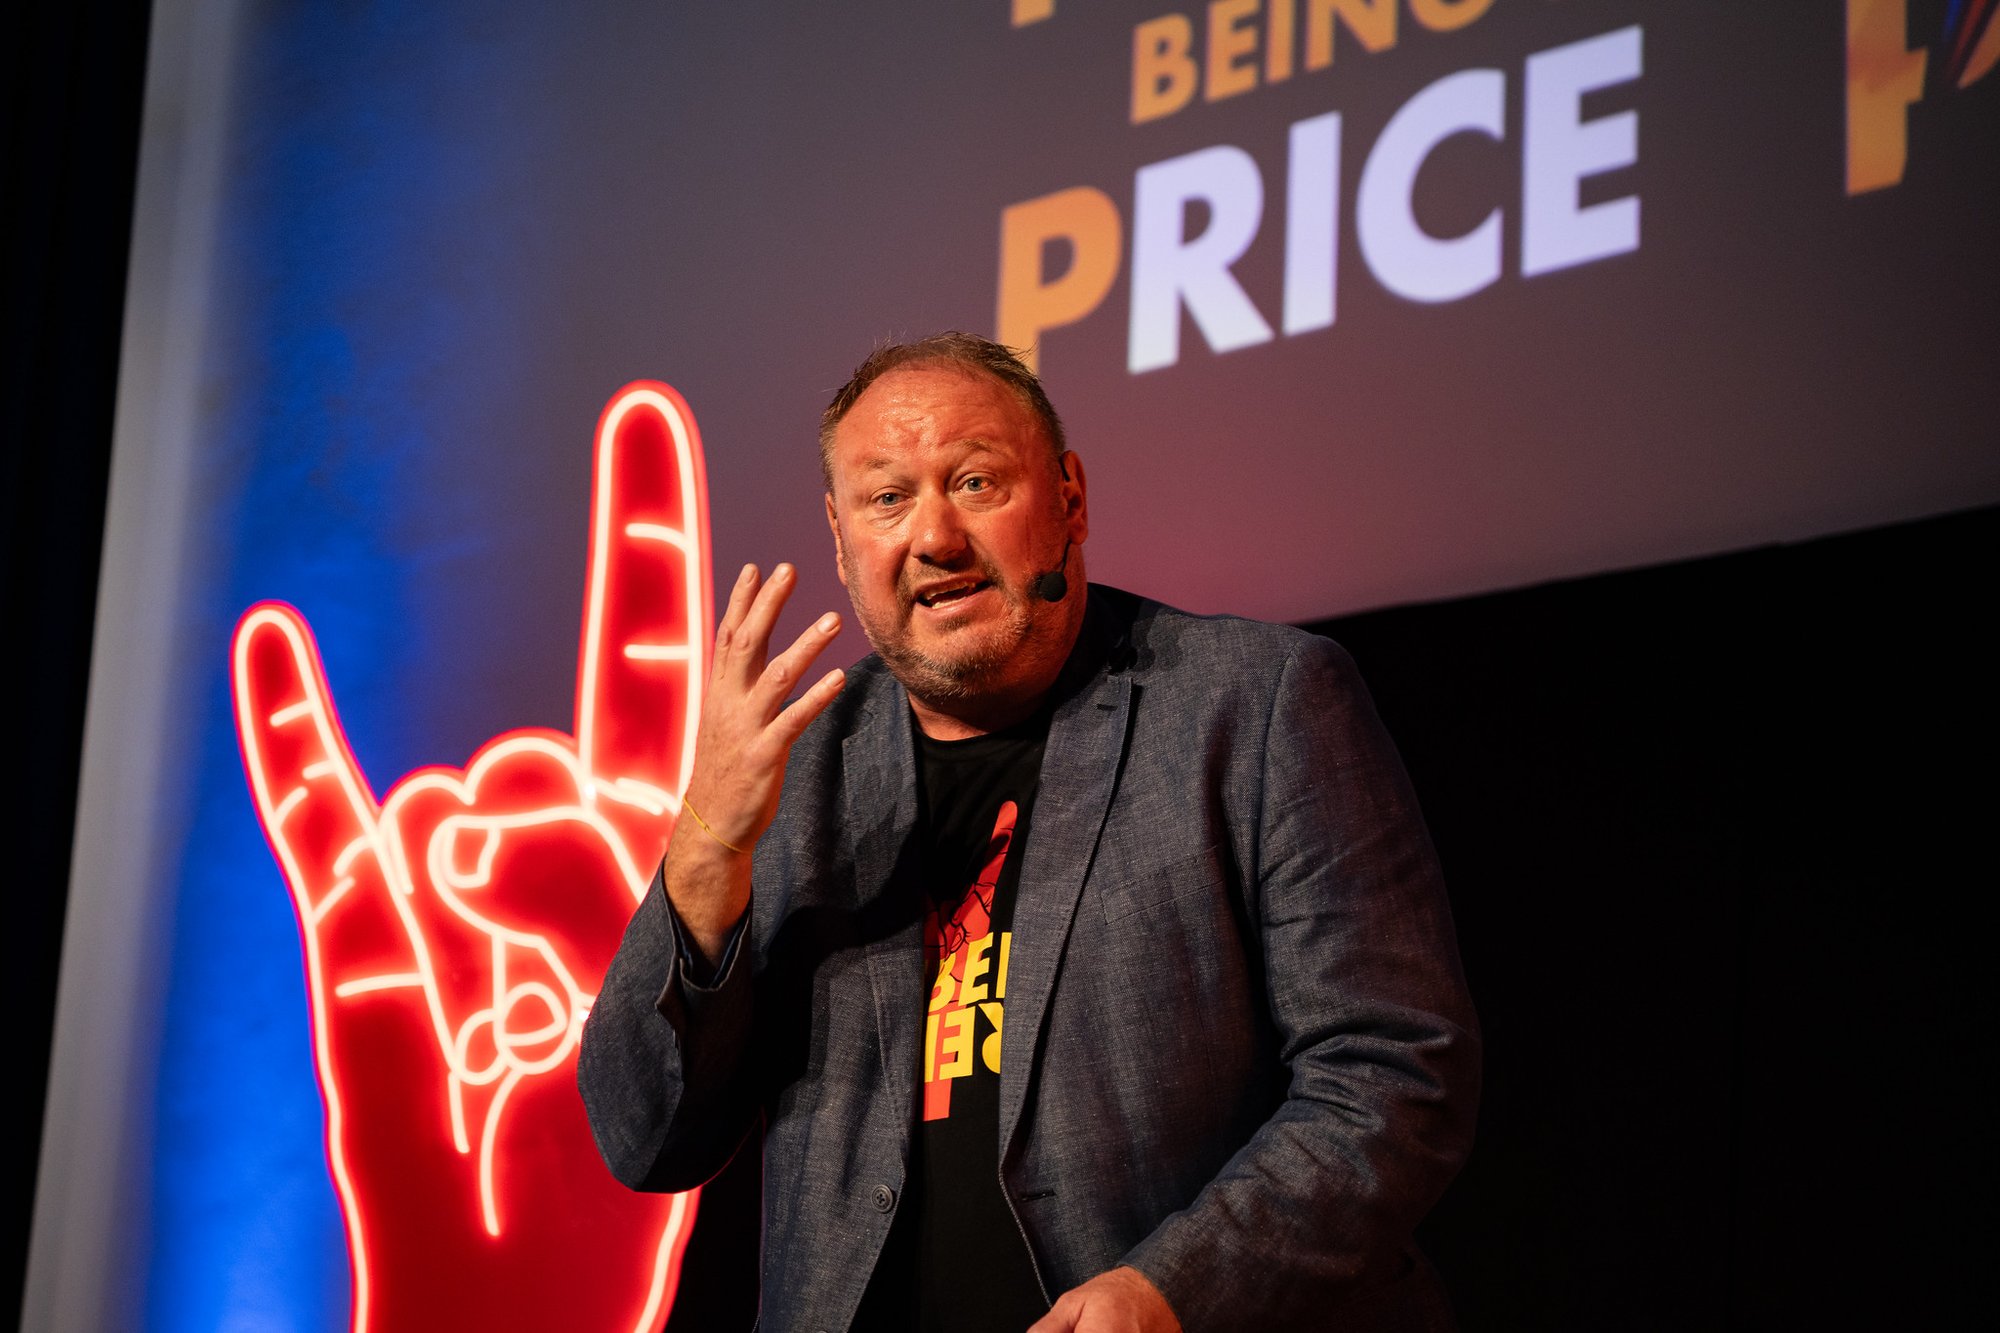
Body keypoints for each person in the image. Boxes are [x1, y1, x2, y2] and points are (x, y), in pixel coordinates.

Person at [579, 333, 1479, 1332]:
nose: (933, 537)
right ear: (840, 542)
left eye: (974, 482)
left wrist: (1174, 1290)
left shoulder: (1251, 705)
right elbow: (644, 1137)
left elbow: (1391, 1076)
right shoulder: (794, 766)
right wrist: (704, 849)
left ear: (1068, 497)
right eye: (886, 499)